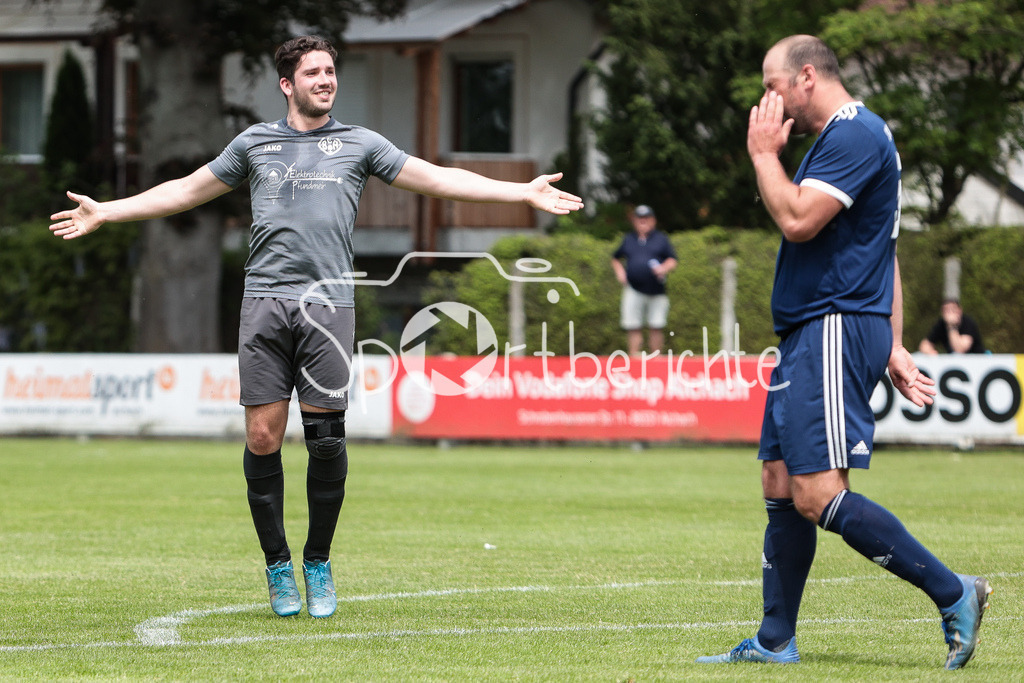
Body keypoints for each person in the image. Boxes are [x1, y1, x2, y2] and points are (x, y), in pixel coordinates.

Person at [49, 35, 582, 619]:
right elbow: (187, 191)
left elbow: (434, 177)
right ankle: (277, 563)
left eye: (331, 72)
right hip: (264, 303)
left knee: (326, 440)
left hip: (329, 306)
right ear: (287, 84)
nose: (326, 80)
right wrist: (108, 210)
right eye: (314, 73)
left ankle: (318, 560)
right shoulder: (255, 143)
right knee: (262, 438)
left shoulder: (361, 145)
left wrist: (520, 193)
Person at [696, 35, 991, 670]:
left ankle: (954, 591)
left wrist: (761, 157)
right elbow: (883, 251)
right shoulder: (840, 140)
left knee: (817, 492)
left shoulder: (855, 135)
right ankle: (776, 640)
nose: (768, 104)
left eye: (773, 88)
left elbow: (798, 219)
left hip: (830, 326)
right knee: (779, 480)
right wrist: (893, 343)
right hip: (812, 329)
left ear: (807, 77)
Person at [610, 204, 678, 356]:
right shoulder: (628, 239)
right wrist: (620, 273)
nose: (643, 221)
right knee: (633, 325)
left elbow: (672, 260)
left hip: (657, 290)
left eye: (646, 218)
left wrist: (663, 268)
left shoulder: (661, 239)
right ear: (634, 221)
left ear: (653, 220)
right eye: (639, 218)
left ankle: (656, 358)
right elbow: (615, 258)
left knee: (656, 325)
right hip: (633, 289)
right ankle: (634, 357)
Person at [919, 298, 986, 354]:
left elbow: (959, 350)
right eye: (946, 310)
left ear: (959, 311)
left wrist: (952, 326)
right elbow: (924, 345)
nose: (950, 313)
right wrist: (930, 352)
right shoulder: (941, 324)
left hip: (976, 361)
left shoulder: (968, 323)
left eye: (953, 310)